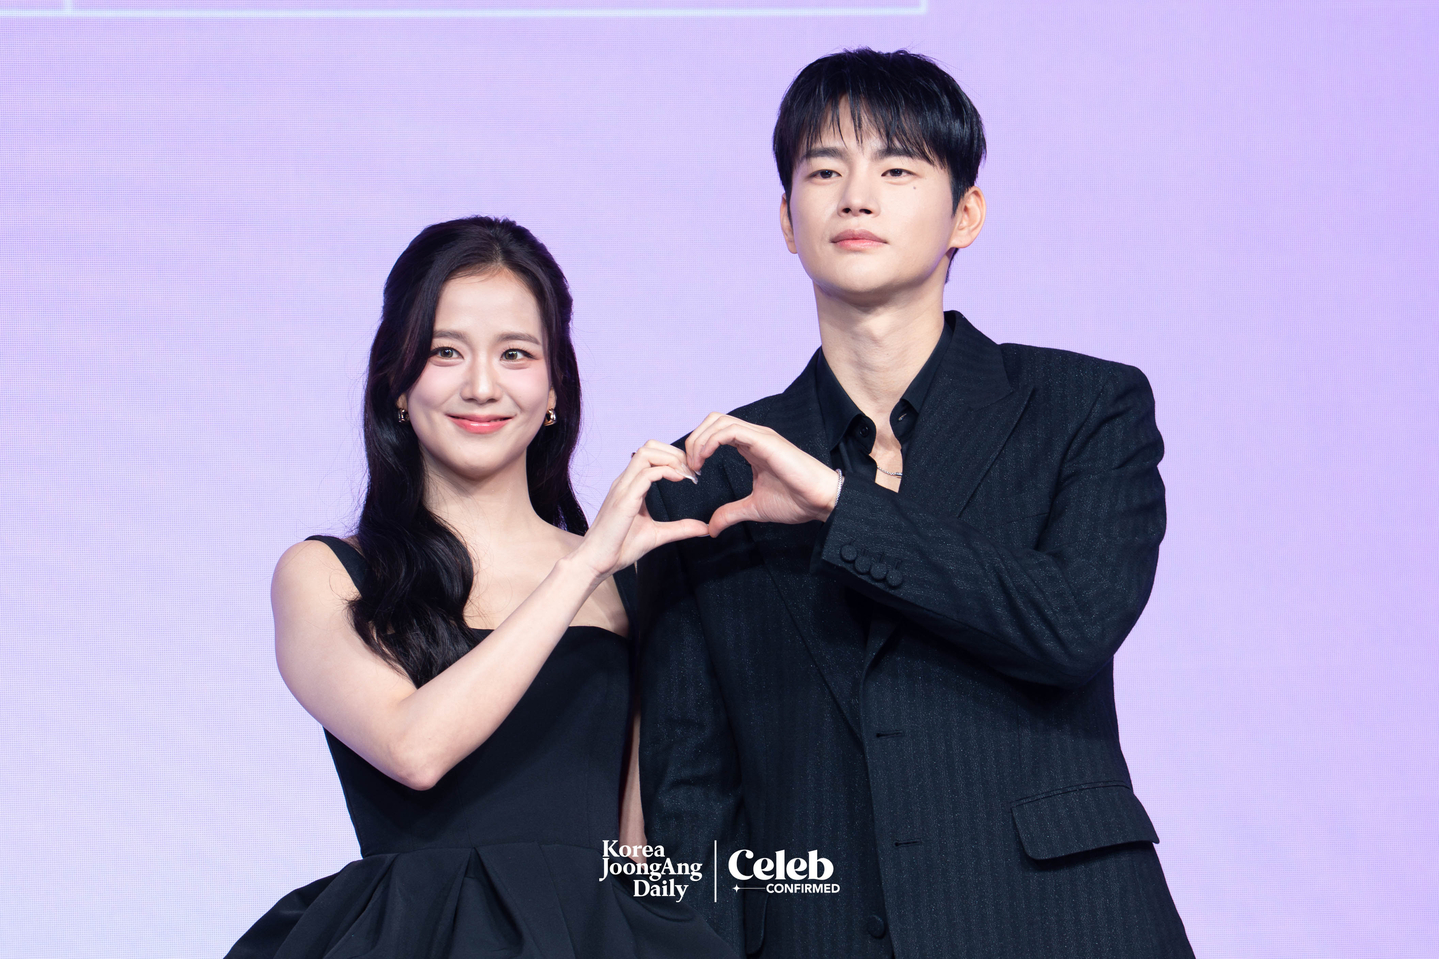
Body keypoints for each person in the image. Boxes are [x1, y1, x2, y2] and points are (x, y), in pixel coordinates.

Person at [637, 49, 1194, 959]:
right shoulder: (714, 469)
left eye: (897, 169)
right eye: (824, 170)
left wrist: (839, 508)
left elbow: (1072, 623)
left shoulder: (1082, 407)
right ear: (786, 220)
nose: (856, 196)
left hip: (1065, 924)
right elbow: (691, 792)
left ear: (964, 214)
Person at [226, 216, 735, 959]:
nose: (482, 385)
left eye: (516, 354)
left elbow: (632, 843)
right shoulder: (325, 574)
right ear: (397, 382)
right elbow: (413, 747)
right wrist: (580, 566)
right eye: (445, 352)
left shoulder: (623, 579)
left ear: (555, 384)